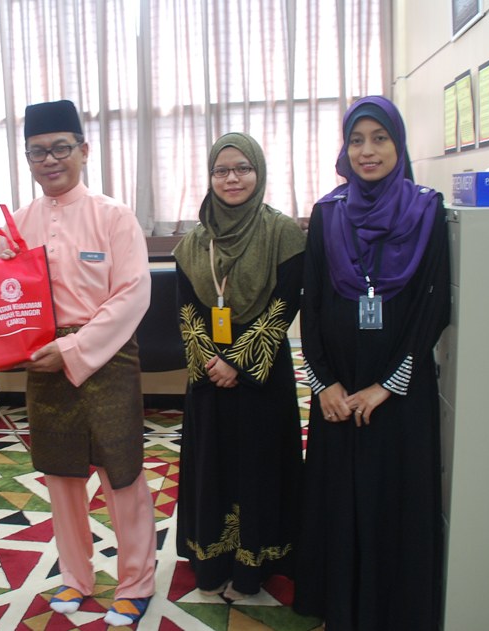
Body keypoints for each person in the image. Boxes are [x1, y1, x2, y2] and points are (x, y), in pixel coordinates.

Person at [292, 96, 451, 630]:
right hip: (338, 389)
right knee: (339, 500)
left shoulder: (427, 210)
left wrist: (388, 384)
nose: (368, 151)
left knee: (394, 500)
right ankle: (339, 608)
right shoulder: (327, 213)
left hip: (399, 393)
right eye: (357, 140)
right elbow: (311, 306)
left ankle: (391, 613)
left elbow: (434, 308)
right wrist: (324, 384)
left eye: (380, 138)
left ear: (399, 144)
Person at [0, 100, 156, 627]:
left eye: (61, 148)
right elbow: (4, 299)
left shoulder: (114, 216)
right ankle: (75, 577)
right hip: (43, 360)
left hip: (107, 355)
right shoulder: (15, 226)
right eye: (37, 152)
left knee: (122, 472)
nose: (50, 160)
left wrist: (75, 347)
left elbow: (132, 295)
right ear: (27, 159)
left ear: (84, 151)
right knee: (61, 474)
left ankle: (136, 582)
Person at [173, 132, 307, 600]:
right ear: (210, 176)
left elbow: (284, 306)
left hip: (260, 380)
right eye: (221, 171)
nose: (232, 179)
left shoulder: (282, 233)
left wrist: (237, 364)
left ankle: (256, 567)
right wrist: (211, 362)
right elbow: (186, 309)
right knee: (214, 466)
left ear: (259, 172)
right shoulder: (194, 241)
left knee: (259, 466)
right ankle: (212, 563)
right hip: (208, 378)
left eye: (242, 168)